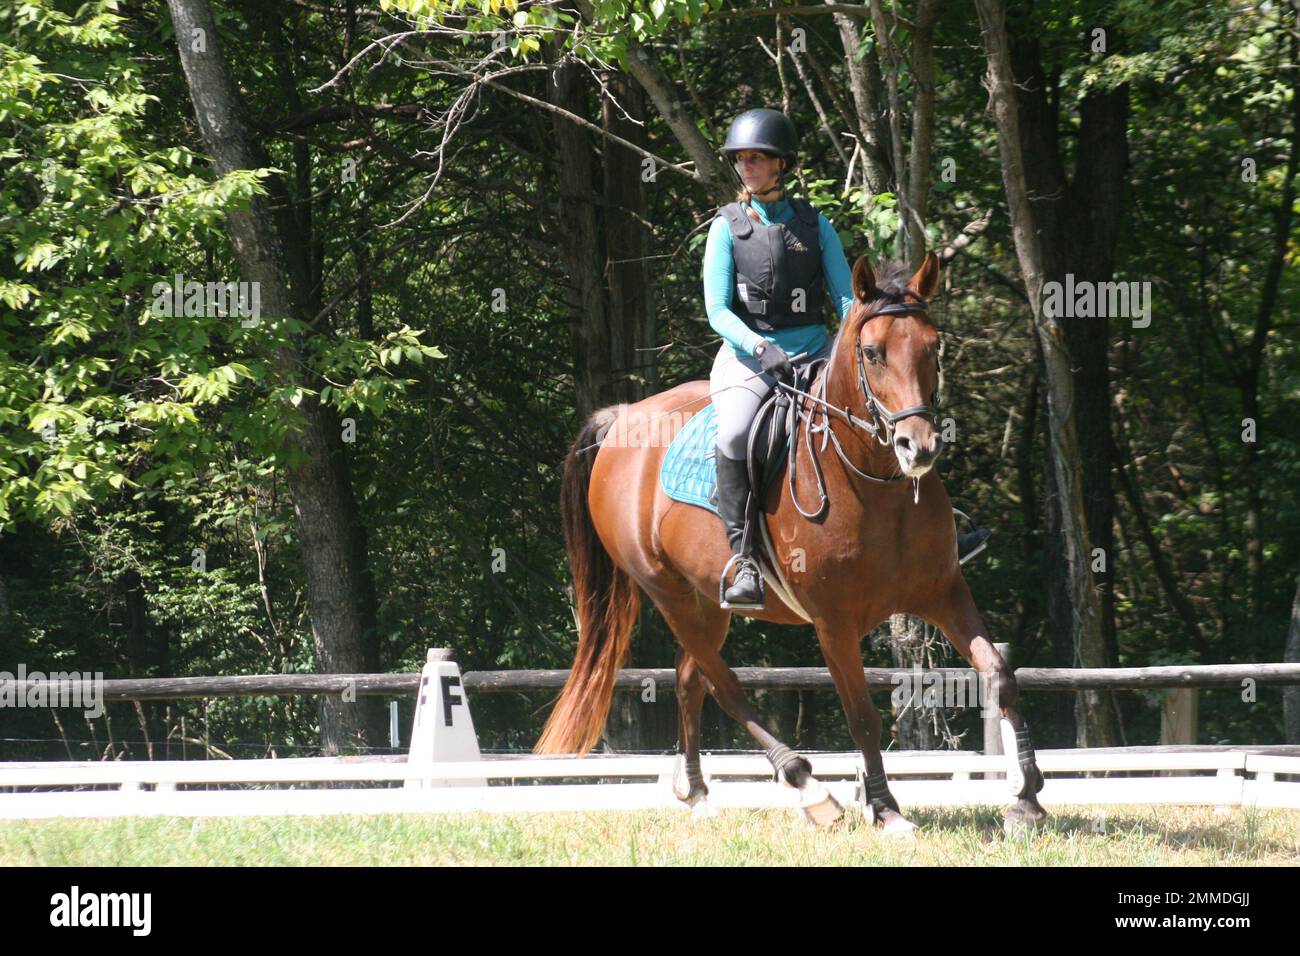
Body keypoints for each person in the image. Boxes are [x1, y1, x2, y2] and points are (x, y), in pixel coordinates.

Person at [703, 108, 989, 610]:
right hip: (748, 357)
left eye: (756, 158)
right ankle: (743, 557)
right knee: (733, 432)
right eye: (740, 159)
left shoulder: (816, 226)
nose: (746, 166)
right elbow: (717, 309)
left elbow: (848, 301)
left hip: (816, 352)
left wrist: (853, 343)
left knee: (896, 416)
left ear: (781, 165)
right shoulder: (726, 228)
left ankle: (937, 538)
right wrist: (760, 347)